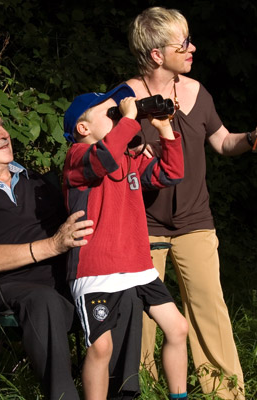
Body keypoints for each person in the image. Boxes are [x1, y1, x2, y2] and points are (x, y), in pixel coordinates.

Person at [125, 7, 257, 400]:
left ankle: (226, 392)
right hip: (144, 223)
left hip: (196, 220)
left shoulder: (196, 91)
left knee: (209, 308)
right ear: (157, 54)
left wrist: (254, 136)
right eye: (184, 42)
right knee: (142, 317)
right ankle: (142, 389)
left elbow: (224, 142)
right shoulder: (125, 99)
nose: (193, 48)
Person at [0, 103, 94, 400]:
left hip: (61, 279)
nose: (3, 134)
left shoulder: (37, 182)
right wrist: (53, 245)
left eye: (0, 125)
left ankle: (121, 389)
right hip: (4, 286)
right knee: (44, 299)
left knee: (116, 286)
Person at [62, 84, 189, 400]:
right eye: (111, 112)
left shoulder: (129, 160)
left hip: (137, 266)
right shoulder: (77, 158)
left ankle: (179, 396)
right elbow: (101, 158)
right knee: (101, 347)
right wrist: (130, 121)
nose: (120, 114)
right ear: (83, 127)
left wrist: (164, 129)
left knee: (178, 328)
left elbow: (170, 173)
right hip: (96, 271)